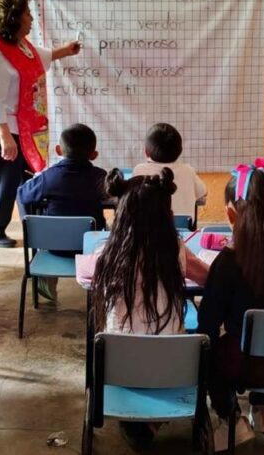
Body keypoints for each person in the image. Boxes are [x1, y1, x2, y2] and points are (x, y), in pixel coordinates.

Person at [91, 167, 208, 448]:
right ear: (167, 214)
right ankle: (151, 420)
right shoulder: (174, 249)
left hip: (118, 368)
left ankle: (139, 419)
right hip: (173, 369)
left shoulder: (107, 255)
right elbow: (208, 278)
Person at [199, 159, 264, 451]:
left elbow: (208, 325)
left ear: (231, 214)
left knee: (206, 348)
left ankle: (231, 419)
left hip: (241, 365)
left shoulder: (228, 262)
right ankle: (263, 410)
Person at [0, 0, 81, 247]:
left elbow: (42, 57)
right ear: (13, 17)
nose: (31, 18)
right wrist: (4, 136)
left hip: (21, 127)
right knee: (5, 178)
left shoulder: (19, 46)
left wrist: (66, 51)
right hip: (1, 127)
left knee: (26, 178)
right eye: (27, 13)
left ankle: (32, 226)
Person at [18, 123, 109, 301]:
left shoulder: (49, 176)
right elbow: (113, 197)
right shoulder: (100, 177)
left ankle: (46, 274)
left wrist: (29, 225)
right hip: (89, 248)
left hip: (53, 247)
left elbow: (22, 195)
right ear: (94, 155)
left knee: (43, 215)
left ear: (58, 150)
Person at [132, 123, 208, 220]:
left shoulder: (139, 170)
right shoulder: (188, 170)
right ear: (180, 151)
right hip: (183, 228)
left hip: (147, 228)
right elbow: (203, 192)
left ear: (146, 152)